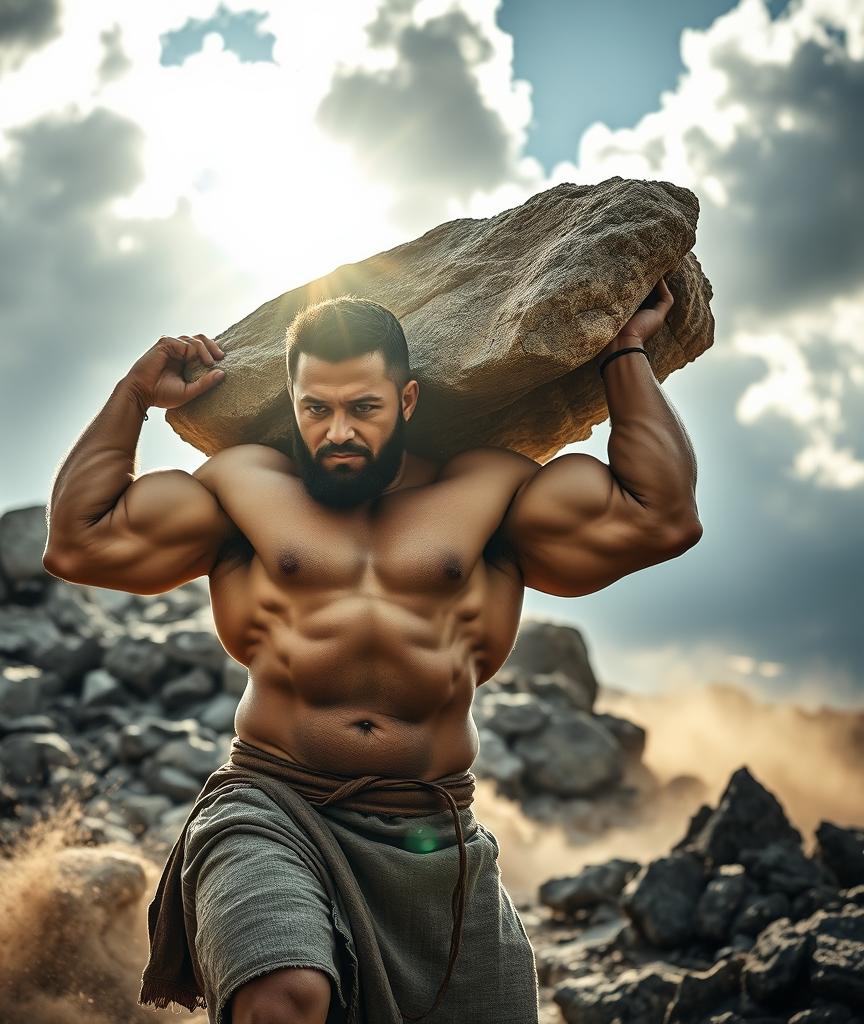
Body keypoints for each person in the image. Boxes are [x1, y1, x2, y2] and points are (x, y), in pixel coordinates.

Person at [42, 281, 702, 1024]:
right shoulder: (244, 487)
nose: (338, 432)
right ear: (292, 401)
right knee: (284, 997)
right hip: (272, 803)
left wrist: (625, 353)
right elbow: (78, 541)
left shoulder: (487, 489)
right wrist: (133, 395)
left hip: (430, 832)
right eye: (315, 409)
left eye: (364, 408)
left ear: (408, 401)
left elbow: (660, 517)